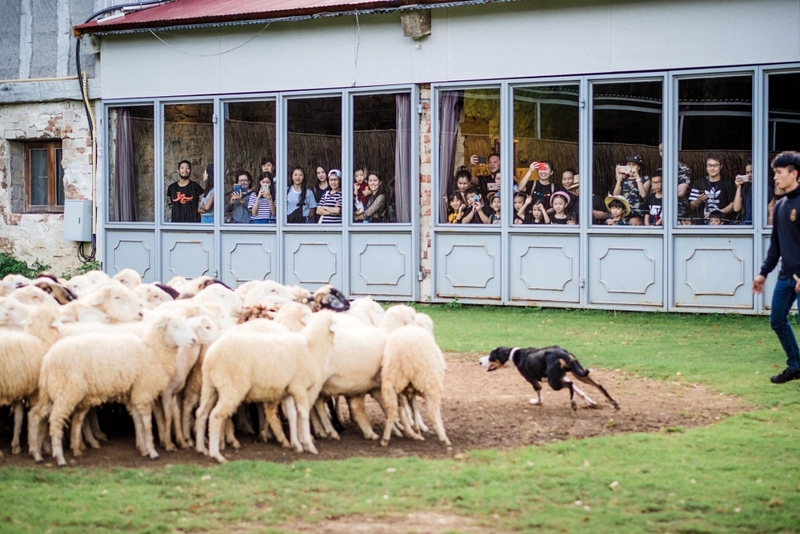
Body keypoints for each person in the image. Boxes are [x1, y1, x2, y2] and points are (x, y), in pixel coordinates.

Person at [752, 151, 800, 384]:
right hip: (786, 276)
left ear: (795, 174)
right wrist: (763, 273)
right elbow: (776, 245)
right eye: (775, 173)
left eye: (779, 173)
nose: (775, 178)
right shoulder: (780, 206)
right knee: (777, 321)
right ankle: (796, 366)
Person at [688, 156, 736, 223]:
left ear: (721, 166)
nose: (712, 168)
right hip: (702, 224)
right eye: (710, 165)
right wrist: (699, 200)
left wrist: (717, 213)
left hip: (723, 224)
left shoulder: (728, 183)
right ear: (706, 167)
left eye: (715, 165)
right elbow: (692, 206)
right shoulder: (699, 183)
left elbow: (734, 204)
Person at [659, 143, 692, 219]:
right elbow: (653, 191)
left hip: (678, 213)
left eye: (666, 150)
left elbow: (680, 192)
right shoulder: (660, 170)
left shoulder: (683, 168)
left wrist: (660, 191)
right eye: (661, 151)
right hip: (661, 211)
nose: (663, 153)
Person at [612, 154, 650, 218]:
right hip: (624, 213)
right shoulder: (623, 180)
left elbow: (643, 195)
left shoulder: (645, 179)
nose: (631, 167)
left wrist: (637, 177)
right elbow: (615, 195)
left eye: (634, 165)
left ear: (639, 167)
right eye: (629, 164)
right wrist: (618, 180)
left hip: (638, 213)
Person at [732, 160, 753, 225]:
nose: (749, 175)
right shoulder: (745, 189)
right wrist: (738, 187)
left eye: (752, 172)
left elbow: (771, 211)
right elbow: (736, 208)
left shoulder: (765, 188)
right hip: (746, 225)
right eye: (747, 172)